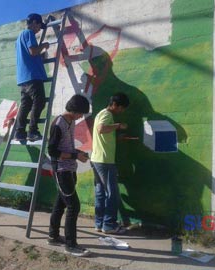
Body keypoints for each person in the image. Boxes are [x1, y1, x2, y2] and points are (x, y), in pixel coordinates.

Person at [47, 94, 91, 257]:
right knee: (74, 206)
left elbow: (67, 146)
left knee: (61, 203)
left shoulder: (70, 122)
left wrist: (79, 153)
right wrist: (74, 156)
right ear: (74, 110)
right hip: (61, 170)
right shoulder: (58, 123)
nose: (81, 117)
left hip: (70, 168)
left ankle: (53, 236)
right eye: (81, 113)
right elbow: (52, 152)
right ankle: (70, 245)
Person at [91, 92, 130, 234]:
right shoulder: (107, 114)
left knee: (101, 193)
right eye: (121, 108)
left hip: (97, 159)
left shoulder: (102, 114)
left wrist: (116, 137)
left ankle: (99, 223)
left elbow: (103, 133)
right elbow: (101, 129)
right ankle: (109, 225)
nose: (121, 111)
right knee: (111, 193)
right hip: (105, 161)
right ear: (114, 105)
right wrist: (118, 126)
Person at [14, 13, 50, 142]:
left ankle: (19, 132)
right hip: (33, 76)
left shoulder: (18, 39)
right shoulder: (29, 33)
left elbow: (29, 56)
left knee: (25, 105)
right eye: (39, 26)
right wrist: (44, 46)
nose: (39, 29)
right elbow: (33, 51)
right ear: (34, 22)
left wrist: (41, 57)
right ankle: (32, 131)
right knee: (39, 102)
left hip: (23, 78)